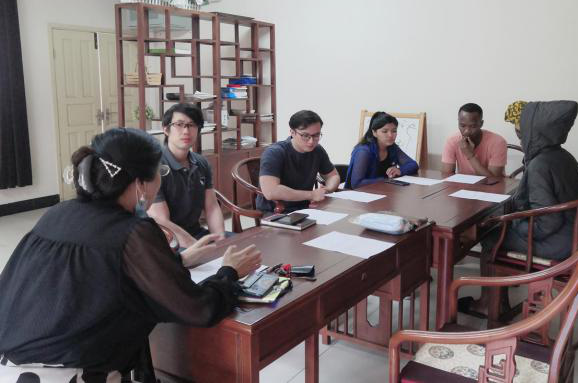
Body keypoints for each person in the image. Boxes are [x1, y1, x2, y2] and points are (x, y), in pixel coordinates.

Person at [0, 128, 261, 381]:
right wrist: (229, 272)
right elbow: (197, 309)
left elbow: (96, 277)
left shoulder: (58, 212)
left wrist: (179, 260)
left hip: (10, 365)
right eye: (160, 171)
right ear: (140, 184)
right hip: (72, 374)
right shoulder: (134, 231)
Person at [459, 100, 578, 316]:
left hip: (560, 245)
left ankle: (489, 304)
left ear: (534, 130)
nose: (519, 134)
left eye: (522, 128)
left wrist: (517, 225)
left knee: (491, 236)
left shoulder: (540, 164)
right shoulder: (564, 157)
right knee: (500, 227)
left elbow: (548, 221)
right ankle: (499, 297)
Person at [148, 103, 224, 248]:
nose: (186, 131)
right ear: (166, 129)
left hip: (197, 234)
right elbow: (161, 220)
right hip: (168, 242)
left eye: (192, 125)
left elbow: (212, 207)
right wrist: (198, 248)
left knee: (243, 249)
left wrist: (220, 240)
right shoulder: (153, 166)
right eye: (179, 124)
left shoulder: (201, 163)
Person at [257, 110, 341, 213]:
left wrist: (327, 190)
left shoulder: (317, 150)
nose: (311, 141)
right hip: (276, 211)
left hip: (307, 207)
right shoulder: (274, 152)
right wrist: (311, 195)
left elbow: (333, 176)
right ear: (292, 132)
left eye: (316, 135)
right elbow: (271, 192)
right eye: (305, 136)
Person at [345, 111, 419, 189]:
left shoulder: (392, 147)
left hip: (384, 191)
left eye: (394, 131)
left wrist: (400, 170)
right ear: (374, 132)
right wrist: (386, 180)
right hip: (360, 194)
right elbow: (356, 184)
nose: (390, 135)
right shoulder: (363, 151)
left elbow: (413, 165)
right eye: (385, 131)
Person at [441, 103, 507, 177]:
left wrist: (470, 155)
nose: (467, 131)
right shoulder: (452, 141)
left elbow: (493, 179)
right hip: (463, 183)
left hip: (491, 184)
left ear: (481, 124)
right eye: (462, 125)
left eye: (472, 126)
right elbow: (447, 175)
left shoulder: (498, 142)